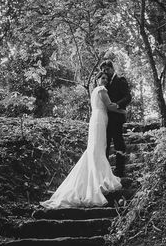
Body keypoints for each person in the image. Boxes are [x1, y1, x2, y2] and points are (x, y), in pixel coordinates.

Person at [40, 71, 126, 209]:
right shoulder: (102, 90)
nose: (105, 80)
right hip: (99, 120)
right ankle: (99, 179)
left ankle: (93, 177)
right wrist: (122, 111)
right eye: (102, 78)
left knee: (95, 149)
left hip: (97, 119)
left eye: (106, 79)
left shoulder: (94, 92)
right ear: (97, 80)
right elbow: (110, 106)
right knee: (97, 148)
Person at [100, 60, 132, 178]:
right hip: (105, 119)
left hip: (117, 118)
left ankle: (120, 170)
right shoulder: (104, 82)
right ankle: (105, 172)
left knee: (119, 143)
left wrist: (117, 105)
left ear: (112, 68)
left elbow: (128, 97)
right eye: (103, 70)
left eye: (107, 69)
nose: (106, 72)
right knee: (105, 144)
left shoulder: (120, 80)